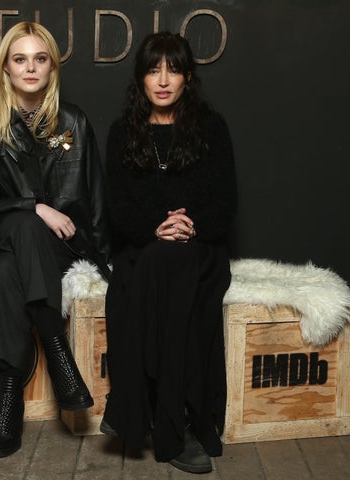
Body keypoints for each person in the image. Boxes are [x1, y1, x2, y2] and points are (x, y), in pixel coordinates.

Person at [0, 21, 110, 458]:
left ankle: (9, 398)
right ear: (5, 68)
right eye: (20, 59)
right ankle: (58, 353)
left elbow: (95, 199)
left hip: (56, 245)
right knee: (24, 227)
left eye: (40, 59)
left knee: (9, 273)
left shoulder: (73, 123)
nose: (30, 68)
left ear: (52, 67)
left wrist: (104, 260)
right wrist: (31, 206)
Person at [101, 32, 237, 474]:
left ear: (187, 78)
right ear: (140, 77)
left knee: (173, 264)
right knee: (158, 264)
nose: (163, 80)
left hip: (199, 252)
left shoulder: (211, 128)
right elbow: (117, 208)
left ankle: (144, 412)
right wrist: (156, 228)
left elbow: (224, 204)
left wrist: (187, 225)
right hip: (143, 249)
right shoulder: (123, 132)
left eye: (173, 70)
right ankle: (174, 424)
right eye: (153, 69)